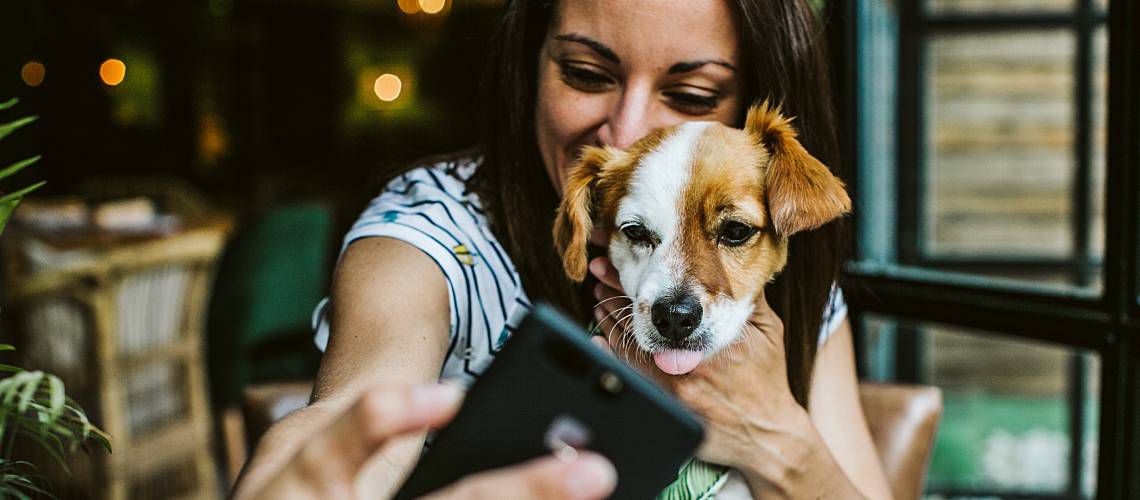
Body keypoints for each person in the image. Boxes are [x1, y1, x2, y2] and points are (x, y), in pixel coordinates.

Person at [233, 0, 895, 498]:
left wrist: (777, 437)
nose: (628, 129)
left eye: (690, 96)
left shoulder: (780, 248)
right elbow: (352, 416)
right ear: (532, 65)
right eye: (585, 73)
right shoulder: (435, 232)